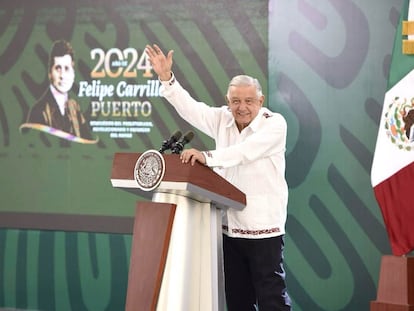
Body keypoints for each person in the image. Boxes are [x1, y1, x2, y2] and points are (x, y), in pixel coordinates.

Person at [146, 44, 292, 311]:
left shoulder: (275, 124)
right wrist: (167, 79)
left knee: (273, 301)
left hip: (264, 230)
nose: (242, 107)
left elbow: (244, 153)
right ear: (228, 101)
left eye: (249, 101)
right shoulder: (222, 119)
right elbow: (191, 109)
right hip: (229, 228)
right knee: (237, 302)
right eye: (235, 101)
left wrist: (208, 157)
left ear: (260, 101)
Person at [25, 40, 92, 140]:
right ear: (49, 73)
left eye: (67, 68)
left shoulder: (74, 106)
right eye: (58, 68)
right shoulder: (39, 111)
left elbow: (87, 141)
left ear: (73, 74)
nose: (62, 75)